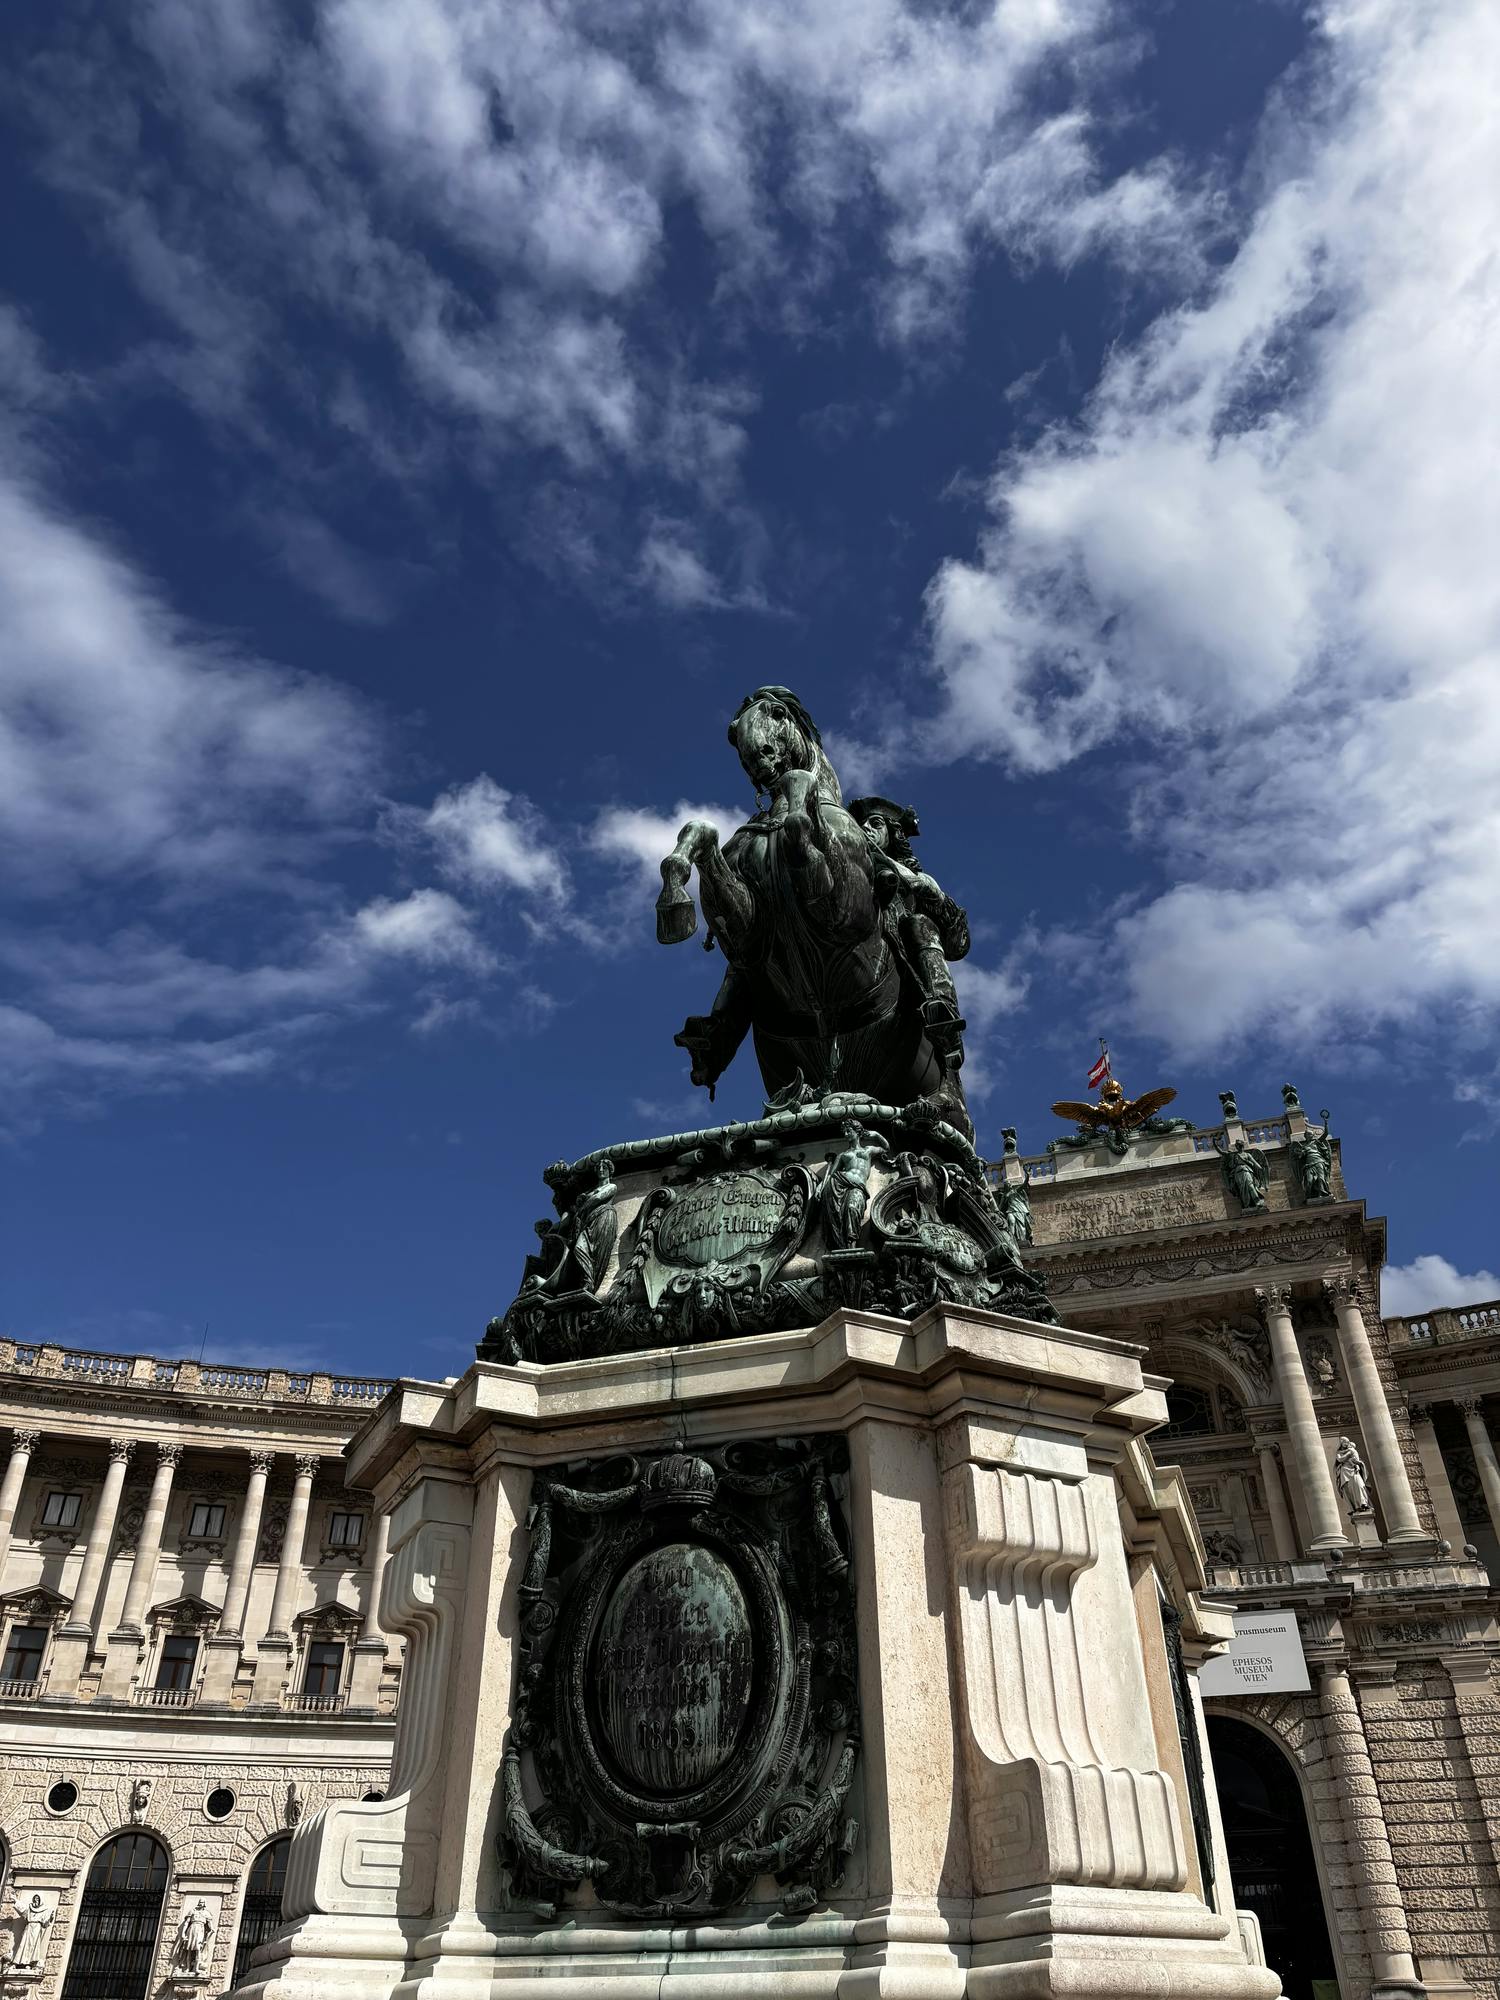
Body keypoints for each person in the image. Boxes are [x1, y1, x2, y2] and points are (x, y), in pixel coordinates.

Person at [846, 797, 970, 1073]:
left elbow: (958, 945)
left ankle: (944, 1014)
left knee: (919, 923)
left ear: (894, 834)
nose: (865, 828)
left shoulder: (913, 879)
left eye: (875, 823)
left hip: (902, 952)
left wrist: (931, 892)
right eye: (861, 824)